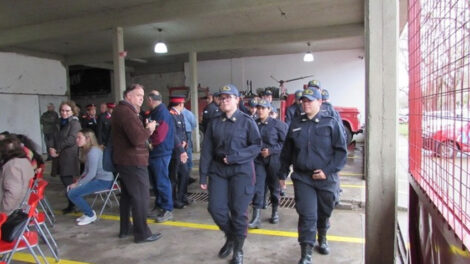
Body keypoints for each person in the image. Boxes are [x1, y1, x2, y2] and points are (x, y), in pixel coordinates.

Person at [279, 88, 347, 264]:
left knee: (324, 212)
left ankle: (322, 236)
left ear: (320, 102)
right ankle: (306, 252)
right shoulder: (295, 123)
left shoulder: (331, 123)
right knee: (307, 215)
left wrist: (327, 170)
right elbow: (287, 152)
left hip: (326, 178)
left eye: (310, 100)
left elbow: (341, 152)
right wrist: (282, 174)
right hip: (303, 178)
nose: (306, 103)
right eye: (303, 101)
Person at [200, 84, 261, 264]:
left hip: (241, 170)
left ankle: (238, 250)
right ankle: (231, 236)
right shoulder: (214, 122)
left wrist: (236, 157)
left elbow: (256, 146)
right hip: (218, 170)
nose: (225, 100)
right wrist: (203, 175)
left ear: (237, 100)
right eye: (222, 97)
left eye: (229, 97)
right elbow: (207, 150)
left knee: (238, 211)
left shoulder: (247, 121)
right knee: (215, 208)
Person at [111, 83, 161, 244]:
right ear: (128, 96)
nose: (141, 99)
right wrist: (150, 129)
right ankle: (142, 234)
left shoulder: (123, 111)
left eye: (142, 96)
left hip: (125, 160)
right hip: (133, 161)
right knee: (141, 197)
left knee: (127, 196)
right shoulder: (127, 113)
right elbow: (138, 139)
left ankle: (125, 229)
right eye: (138, 95)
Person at [248, 99, 287, 229]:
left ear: (269, 110)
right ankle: (256, 217)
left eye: (263, 108)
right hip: (258, 160)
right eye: (258, 108)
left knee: (274, 187)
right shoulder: (254, 124)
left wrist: (271, 150)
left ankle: (275, 212)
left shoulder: (278, 125)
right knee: (258, 187)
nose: (260, 110)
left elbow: (285, 144)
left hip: (274, 161)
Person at [67, 129, 114, 226]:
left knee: (72, 193)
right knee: (71, 190)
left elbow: (91, 174)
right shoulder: (88, 150)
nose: (77, 140)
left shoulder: (93, 152)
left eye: (79, 137)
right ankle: (87, 212)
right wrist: (78, 181)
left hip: (103, 181)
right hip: (98, 179)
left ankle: (90, 214)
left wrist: (78, 184)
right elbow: (86, 171)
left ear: (87, 139)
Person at [145, 90, 175, 223]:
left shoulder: (162, 113)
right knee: (157, 182)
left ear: (150, 100)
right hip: (156, 153)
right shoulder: (155, 112)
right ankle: (159, 205)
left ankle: (167, 209)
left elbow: (160, 135)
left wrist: (148, 143)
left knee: (162, 181)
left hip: (160, 152)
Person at [48, 101, 82, 214]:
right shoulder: (58, 122)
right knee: (64, 180)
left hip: (69, 156)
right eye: (62, 110)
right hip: (59, 156)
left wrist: (57, 149)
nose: (64, 113)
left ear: (72, 111)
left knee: (68, 181)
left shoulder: (74, 123)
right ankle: (72, 204)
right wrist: (51, 148)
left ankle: (75, 204)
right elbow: (53, 136)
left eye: (67, 111)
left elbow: (71, 139)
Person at [0, 136, 35, 215]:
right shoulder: (24, 160)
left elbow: (13, 192)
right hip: (23, 204)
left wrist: (3, 210)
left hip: (12, 210)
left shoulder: (11, 165)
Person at [168, 96, 190, 209]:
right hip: (175, 152)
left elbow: (183, 132)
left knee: (185, 173)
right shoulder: (171, 115)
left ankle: (182, 197)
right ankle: (173, 200)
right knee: (173, 177)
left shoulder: (180, 115)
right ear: (180, 104)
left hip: (182, 150)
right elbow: (173, 134)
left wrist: (186, 142)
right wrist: (180, 148)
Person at [181, 106, 197, 171]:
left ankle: (189, 166)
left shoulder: (188, 113)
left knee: (188, 149)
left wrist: (189, 129)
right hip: (181, 132)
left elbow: (194, 123)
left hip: (187, 132)